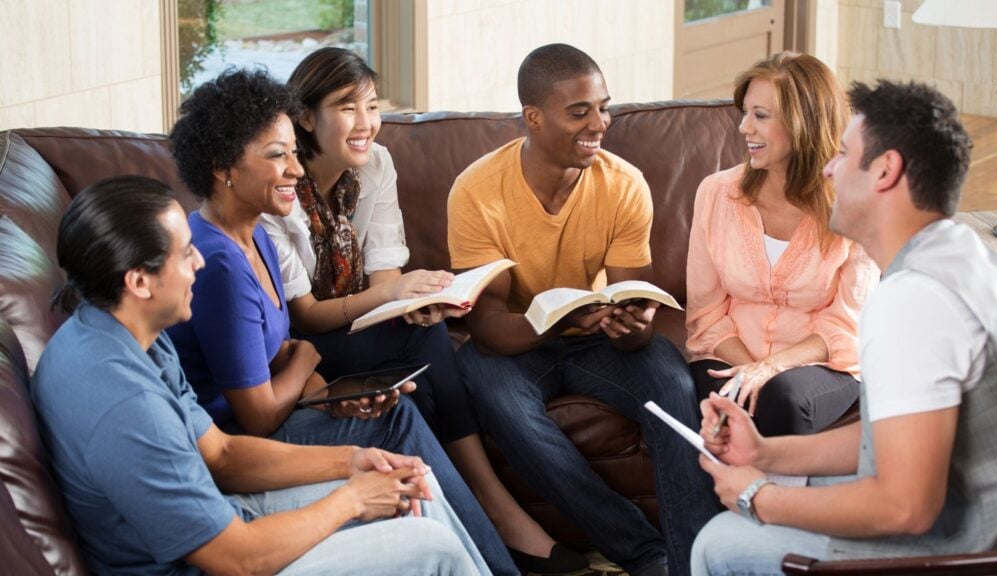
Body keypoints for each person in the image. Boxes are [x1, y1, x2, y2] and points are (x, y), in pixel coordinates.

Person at [30, 175, 483, 575]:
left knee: (408, 483)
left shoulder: (128, 332)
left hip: (219, 514)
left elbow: (221, 453)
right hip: (204, 561)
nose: (199, 263)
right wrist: (355, 498)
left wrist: (353, 460)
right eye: (185, 254)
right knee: (432, 545)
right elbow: (237, 559)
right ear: (139, 282)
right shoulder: (126, 407)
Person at [165, 68, 507, 576]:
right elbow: (258, 412)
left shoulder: (254, 232)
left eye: (293, 153)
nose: (296, 170)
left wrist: (334, 391)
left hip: (269, 414)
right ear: (222, 168)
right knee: (396, 421)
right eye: (276, 155)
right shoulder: (216, 261)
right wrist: (308, 356)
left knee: (392, 410)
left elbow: (278, 350)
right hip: (235, 438)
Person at [258, 47, 586, 574]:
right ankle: (493, 512)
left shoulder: (376, 164)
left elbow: (386, 271)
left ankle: (466, 522)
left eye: (371, 105)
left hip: (358, 325)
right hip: (303, 345)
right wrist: (391, 297)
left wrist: (411, 301)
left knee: (426, 339)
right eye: (347, 107)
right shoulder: (279, 190)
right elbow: (308, 315)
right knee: (426, 348)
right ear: (304, 117)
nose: (366, 123)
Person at [690, 80, 997, 575]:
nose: (828, 167)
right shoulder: (965, 253)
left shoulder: (912, 301)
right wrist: (766, 452)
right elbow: (893, 431)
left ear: (885, 172)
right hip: (982, 509)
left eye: (844, 154)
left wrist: (758, 497)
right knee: (806, 486)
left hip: (971, 547)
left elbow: (904, 508)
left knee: (719, 542)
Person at [447, 43, 719, 576]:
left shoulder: (623, 184)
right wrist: (556, 321)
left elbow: (631, 311)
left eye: (603, 107)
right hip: (517, 343)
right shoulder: (477, 192)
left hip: (594, 336)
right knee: (492, 391)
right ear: (534, 116)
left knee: (672, 382)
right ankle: (645, 554)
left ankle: (695, 559)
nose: (600, 123)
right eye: (579, 112)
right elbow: (487, 328)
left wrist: (633, 328)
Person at [686, 51, 878, 437]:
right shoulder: (717, 193)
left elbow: (846, 322)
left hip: (821, 364)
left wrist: (772, 367)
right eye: (745, 113)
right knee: (716, 394)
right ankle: (734, 498)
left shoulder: (858, 202)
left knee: (781, 397)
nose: (743, 128)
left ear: (802, 123)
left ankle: (775, 498)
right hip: (729, 354)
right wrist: (747, 371)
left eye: (760, 115)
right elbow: (704, 312)